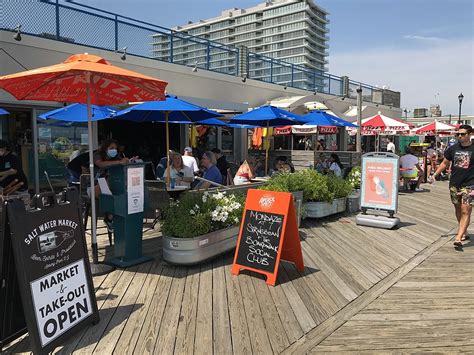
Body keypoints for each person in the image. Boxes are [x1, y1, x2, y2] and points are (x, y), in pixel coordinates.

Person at [430, 124, 473, 248]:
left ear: (469, 134)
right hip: (454, 184)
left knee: (466, 210)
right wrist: (435, 174)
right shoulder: (452, 149)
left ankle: (458, 237)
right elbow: (445, 163)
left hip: (470, 184)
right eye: (458, 134)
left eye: (463, 134)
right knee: (458, 208)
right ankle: (463, 231)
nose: (460, 136)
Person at [93, 139, 130, 232]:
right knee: (109, 183)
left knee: (120, 189)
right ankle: (109, 218)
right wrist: (119, 162)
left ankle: (110, 218)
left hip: (113, 185)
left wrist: (130, 161)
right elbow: (100, 164)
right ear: (105, 148)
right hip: (96, 185)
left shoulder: (117, 157)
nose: (114, 150)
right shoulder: (97, 155)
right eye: (111, 148)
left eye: (116, 148)